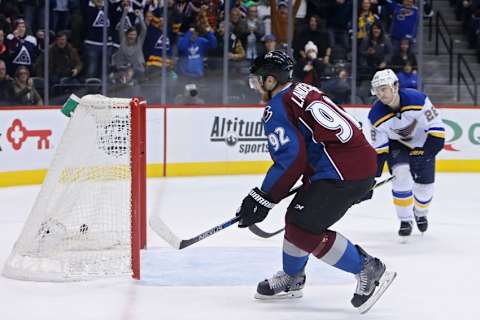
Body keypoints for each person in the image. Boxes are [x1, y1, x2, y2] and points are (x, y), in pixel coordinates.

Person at [236, 50, 396, 313]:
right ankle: (292, 278)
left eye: (258, 81)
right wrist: (361, 174)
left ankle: (366, 266)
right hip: (351, 164)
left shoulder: (277, 107)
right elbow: (345, 126)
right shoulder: (303, 90)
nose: (256, 87)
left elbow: (291, 159)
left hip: (341, 171)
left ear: (270, 80)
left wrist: (263, 197)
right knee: (297, 218)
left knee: (302, 226)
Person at [368, 69, 445, 238]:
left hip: (425, 143)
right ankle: (405, 219)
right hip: (398, 145)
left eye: (384, 88)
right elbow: (379, 151)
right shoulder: (375, 115)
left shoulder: (419, 100)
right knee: (401, 174)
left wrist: (424, 155)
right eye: (377, 90)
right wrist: (369, 179)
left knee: (425, 189)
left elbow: (438, 134)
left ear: (395, 86)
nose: (380, 94)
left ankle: (420, 213)